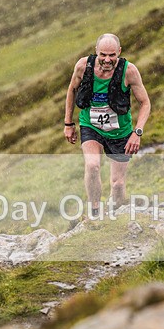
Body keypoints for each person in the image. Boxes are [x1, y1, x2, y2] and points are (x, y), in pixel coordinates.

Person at [64, 34, 151, 218]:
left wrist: (137, 132)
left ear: (119, 52)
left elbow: (145, 103)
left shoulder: (129, 71)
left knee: (117, 184)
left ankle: (113, 216)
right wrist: (68, 123)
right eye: (103, 55)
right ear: (96, 52)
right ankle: (95, 211)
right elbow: (72, 90)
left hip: (120, 131)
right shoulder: (83, 66)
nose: (107, 60)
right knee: (93, 165)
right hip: (91, 126)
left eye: (112, 55)